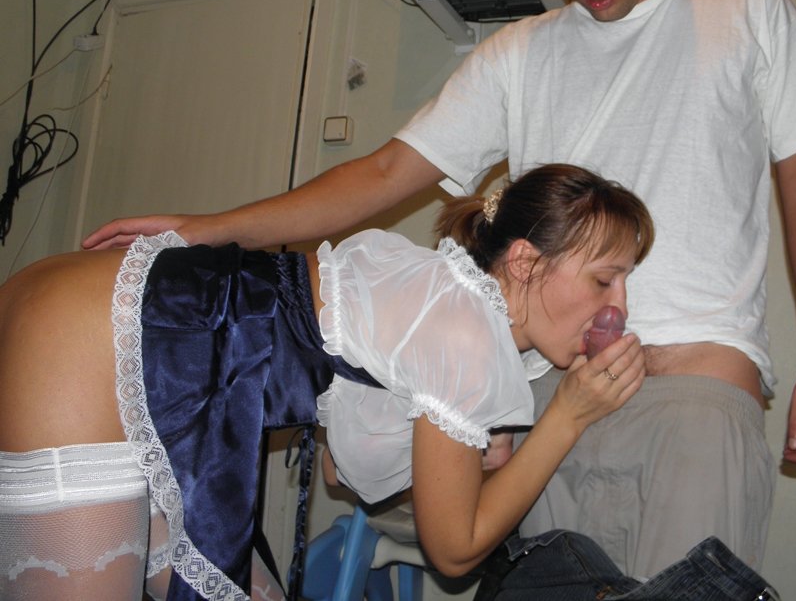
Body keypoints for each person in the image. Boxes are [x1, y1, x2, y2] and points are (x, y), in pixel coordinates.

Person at [81, 0, 796, 579]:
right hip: (544, 404)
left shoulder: (747, 7)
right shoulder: (519, 52)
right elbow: (385, 173)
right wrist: (208, 229)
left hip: (694, 392)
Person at [0, 164, 654, 601]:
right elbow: (454, 552)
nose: (618, 305)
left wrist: (479, 440)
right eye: (604, 279)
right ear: (525, 262)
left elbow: (345, 470)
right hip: (93, 338)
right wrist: (568, 415)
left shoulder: (437, 291)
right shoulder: (466, 333)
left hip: (88, 314)